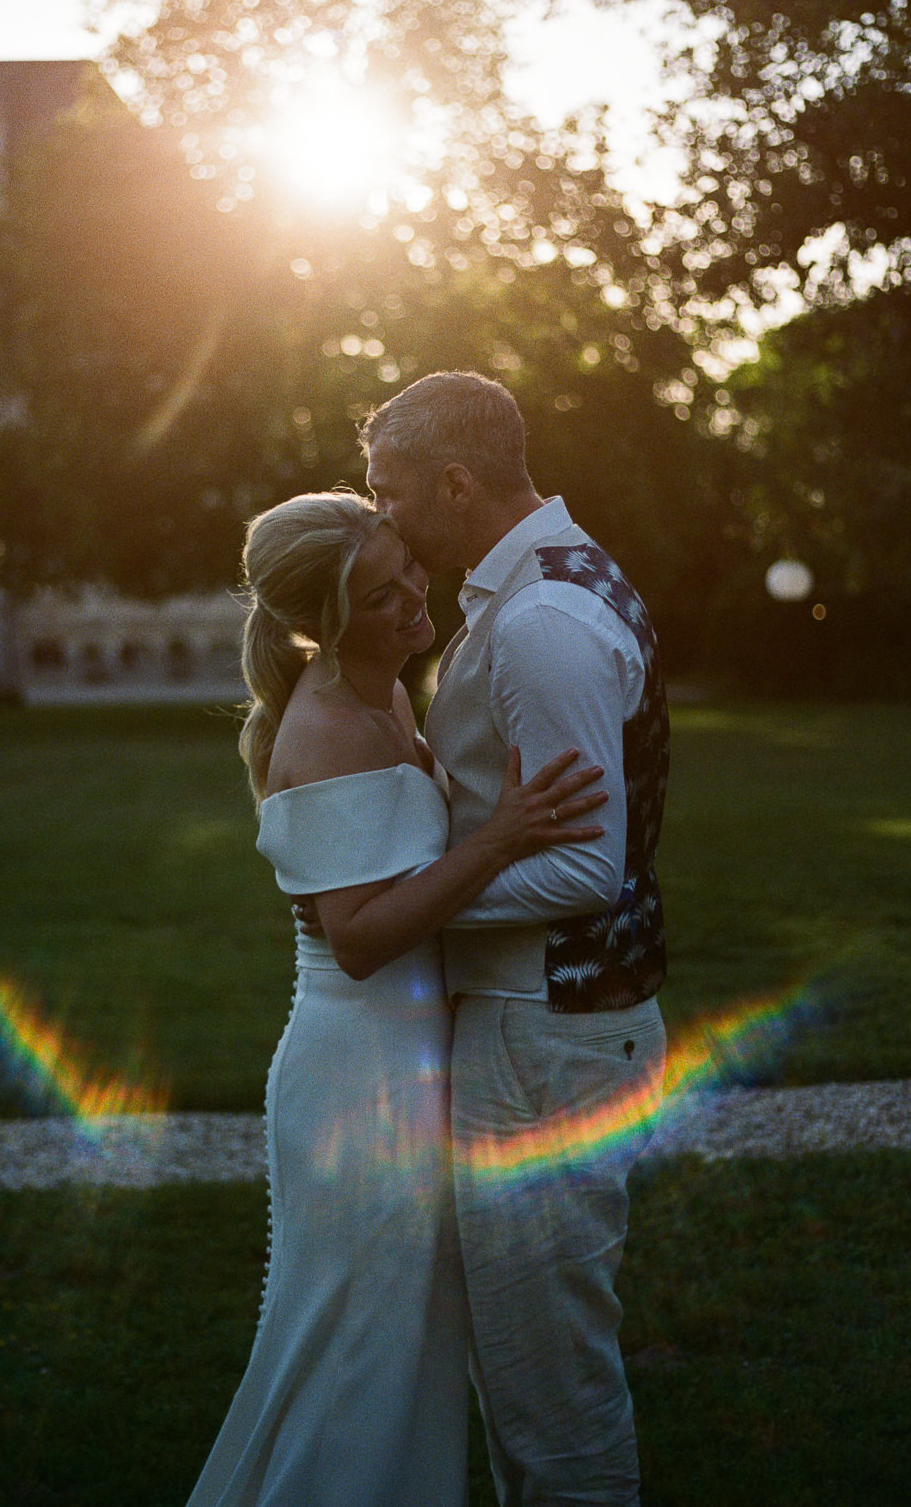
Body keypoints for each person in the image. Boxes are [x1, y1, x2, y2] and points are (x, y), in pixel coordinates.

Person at [186, 489, 608, 1507]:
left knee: (409, 1340)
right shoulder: (329, 725)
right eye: (380, 597)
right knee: (357, 1350)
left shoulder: (386, 694)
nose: (415, 597)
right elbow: (362, 937)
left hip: (402, 1059)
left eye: (406, 567)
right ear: (323, 626)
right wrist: (501, 840)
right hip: (356, 1071)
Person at [356, 371, 670, 1507]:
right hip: (544, 1022)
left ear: (454, 482)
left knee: (552, 1397)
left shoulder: (542, 621)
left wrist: (403, 905)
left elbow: (586, 865)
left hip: (550, 1032)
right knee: (521, 1376)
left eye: (390, 493)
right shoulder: (536, 585)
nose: (379, 515)